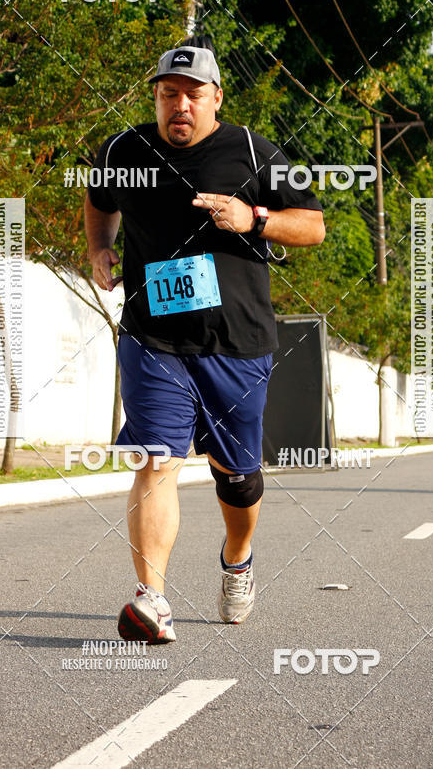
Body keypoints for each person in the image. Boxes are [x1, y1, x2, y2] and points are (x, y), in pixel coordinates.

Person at [85, 38, 325, 643]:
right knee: (156, 459)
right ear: (157, 98)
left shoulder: (256, 152)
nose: (180, 106)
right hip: (152, 338)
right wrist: (99, 247)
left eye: (193, 94)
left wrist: (256, 219)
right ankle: (152, 599)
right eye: (169, 94)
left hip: (235, 343)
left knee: (236, 479)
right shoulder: (121, 151)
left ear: (216, 97)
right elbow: (98, 199)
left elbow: (315, 227)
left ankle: (237, 561)